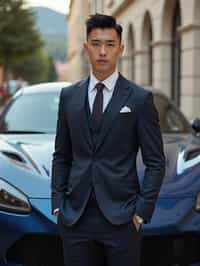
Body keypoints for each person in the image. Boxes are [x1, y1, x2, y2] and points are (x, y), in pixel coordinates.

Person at [51, 13, 165, 266]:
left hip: (122, 219)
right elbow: (62, 155)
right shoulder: (69, 96)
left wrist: (140, 213)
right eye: (96, 44)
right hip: (75, 218)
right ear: (86, 48)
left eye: (110, 45)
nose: (102, 51)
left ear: (121, 49)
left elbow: (156, 161)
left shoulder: (139, 99)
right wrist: (58, 203)